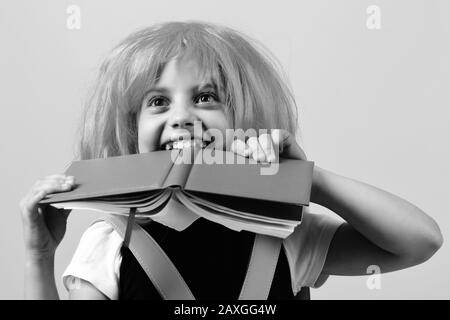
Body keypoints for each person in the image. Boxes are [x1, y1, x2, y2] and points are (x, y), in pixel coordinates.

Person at [20, 21, 443, 300]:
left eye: (206, 98)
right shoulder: (111, 240)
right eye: (158, 102)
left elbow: (419, 242)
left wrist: (307, 181)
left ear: (243, 117)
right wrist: (39, 257)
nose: (182, 117)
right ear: (131, 130)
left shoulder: (285, 228)